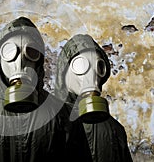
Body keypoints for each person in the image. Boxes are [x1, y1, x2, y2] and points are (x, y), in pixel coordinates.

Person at [0, 16, 89, 162]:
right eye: (10, 52)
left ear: (39, 61)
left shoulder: (65, 117)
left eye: (30, 52)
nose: (20, 61)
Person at [55, 34, 133, 162]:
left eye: (98, 67)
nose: (91, 77)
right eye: (80, 65)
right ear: (64, 71)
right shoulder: (114, 128)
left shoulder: (114, 129)